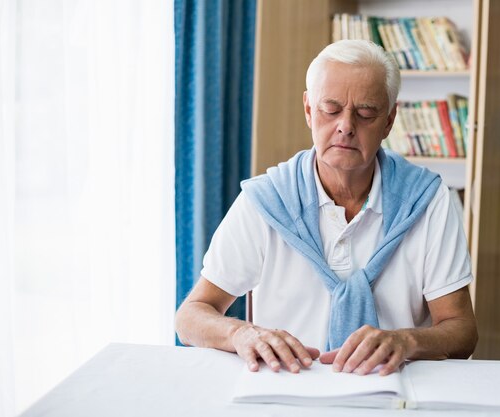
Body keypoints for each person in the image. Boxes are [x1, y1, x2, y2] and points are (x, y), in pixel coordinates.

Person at [175, 39, 477, 377]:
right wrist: (241, 332)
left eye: (365, 113)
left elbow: (462, 331)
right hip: (286, 388)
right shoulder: (265, 200)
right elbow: (190, 317)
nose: (346, 126)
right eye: (330, 109)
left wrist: (407, 340)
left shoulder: (428, 200)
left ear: (390, 121)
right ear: (308, 109)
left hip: (394, 391)